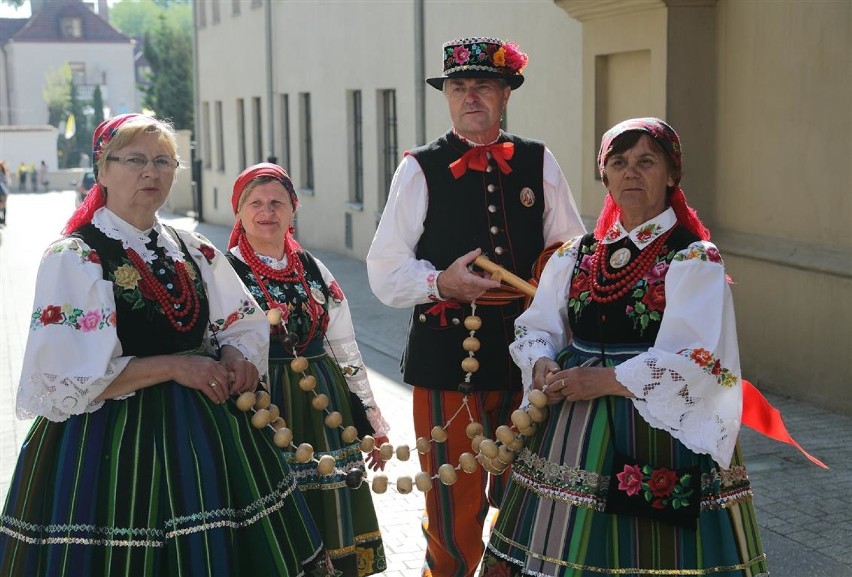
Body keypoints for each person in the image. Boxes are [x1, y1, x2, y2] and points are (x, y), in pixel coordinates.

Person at [0, 114, 333, 576]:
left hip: (209, 431)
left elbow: (237, 321)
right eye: (135, 159)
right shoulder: (76, 257)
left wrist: (237, 357)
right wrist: (176, 367)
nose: (150, 173)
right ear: (102, 169)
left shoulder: (193, 248)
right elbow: (69, 377)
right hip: (108, 443)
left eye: (163, 161)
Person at [479, 118, 768, 576]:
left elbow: (700, 358)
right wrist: (540, 363)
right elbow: (538, 326)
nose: (631, 172)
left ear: (672, 175)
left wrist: (607, 380)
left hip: (657, 427)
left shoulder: (693, 257)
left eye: (646, 161)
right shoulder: (578, 254)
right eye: (619, 162)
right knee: (564, 543)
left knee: (650, 549)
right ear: (605, 176)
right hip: (572, 419)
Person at [367, 37, 585, 577]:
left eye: (482, 85)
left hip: (527, 358)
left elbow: (573, 252)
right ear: (447, 96)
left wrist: (547, 279)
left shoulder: (538, 160)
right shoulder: (420, 167)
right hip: (447, 362)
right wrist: (442, 282)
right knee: (451, 504)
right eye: (459, 87)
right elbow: (383, 271)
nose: (470, 97)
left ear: (505, 93)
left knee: (525, 498)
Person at [226, 163, 390, 576]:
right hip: (261, 402)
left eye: (277, 202)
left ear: (293, 210)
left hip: (323, 401)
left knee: (329, 494)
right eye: (256, 203)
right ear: (239, 212)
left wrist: (368, 412)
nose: (267, 212)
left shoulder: (314, 268)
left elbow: (344, 344)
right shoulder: (224, 273)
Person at [0, 160, 8, 225]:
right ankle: (2, 219)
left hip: (2, 190)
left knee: (3, 205)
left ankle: (3, 219)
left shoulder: (3, 173)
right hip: (3, 190)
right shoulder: (3, 173)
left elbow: (5, 182)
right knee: (3, 205)